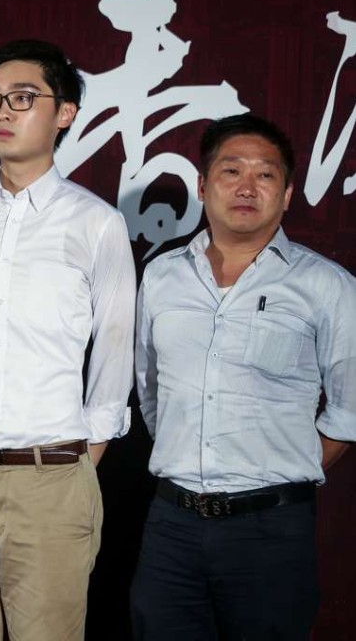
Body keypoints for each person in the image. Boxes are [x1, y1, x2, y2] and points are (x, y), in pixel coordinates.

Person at [0, 39, 136, 640]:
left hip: (51, 476)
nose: (2, 112)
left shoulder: (97, 223)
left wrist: (74, 464)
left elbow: (114, 358)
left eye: (22, 98)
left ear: (64, 112)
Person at [131, 113, 356, 640]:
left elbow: (350, 412)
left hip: (270, 531)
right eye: (232, 171)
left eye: (265, 174)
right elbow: (149, 389)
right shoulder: (161, 276)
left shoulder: (327, 286)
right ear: (203, 186)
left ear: (288, 193)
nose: (247, 187)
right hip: (171, 525)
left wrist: (277, 467)